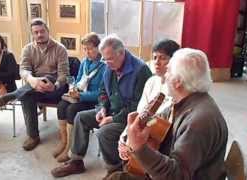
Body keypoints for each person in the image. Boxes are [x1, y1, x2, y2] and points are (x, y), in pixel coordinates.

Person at [108, 48, 229, 180]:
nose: (165, 76)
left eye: (169, 71)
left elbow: (176, 176)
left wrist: (139, 147)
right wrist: (141, 124)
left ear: (178, 82)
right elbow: (158, 119)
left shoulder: (198, 122)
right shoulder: (189, 102)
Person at [50, 34, 152, 178]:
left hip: (130, 118)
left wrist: (111, 119)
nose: (106, 63)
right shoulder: (110, 66)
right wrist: (102, 108)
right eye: (104, 58)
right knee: (81, 117)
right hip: (111, 110)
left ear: (121, 53)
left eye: (109, 59)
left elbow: (138, 106)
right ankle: (76, 161)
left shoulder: (141, 70)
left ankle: (114, 171)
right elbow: (103, 92)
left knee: (104, 132)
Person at [0, 18, 69, 150]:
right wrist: (32, 80)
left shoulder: (60, 49)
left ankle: (10, 97)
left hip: (56, 88)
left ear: (48, 31)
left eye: (42, 31)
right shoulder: (27, 49)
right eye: (35, 32)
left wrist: (56, 85)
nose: (39, 35)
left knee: (47, 77)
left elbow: (64, 74)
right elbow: (23, 70)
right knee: (26, 96)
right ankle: (33, 136)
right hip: (34, 88)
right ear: (32, 34)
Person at [53, 32, 106, 162]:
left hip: (94, 101)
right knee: (61, 106)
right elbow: (78, 79)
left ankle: (70, 149)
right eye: (84, 49)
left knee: (72, 110)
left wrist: (80, 96)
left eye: (90, 49)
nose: (87, 52)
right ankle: (64, 142)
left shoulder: (104, 66)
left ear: (98, 48)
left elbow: (101, 93)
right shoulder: (85, 62)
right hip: (80, 94)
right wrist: (73, 89)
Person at [118, 39, 180, 145]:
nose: (157, 62)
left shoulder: (177, 86)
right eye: (155, 57)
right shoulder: (151, 82)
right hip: (145, 127)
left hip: (163, 134)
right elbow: (140, 113)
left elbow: (164, 121)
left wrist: (139, 131)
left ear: (174, 61)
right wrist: (125, 136)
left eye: (163, 58)